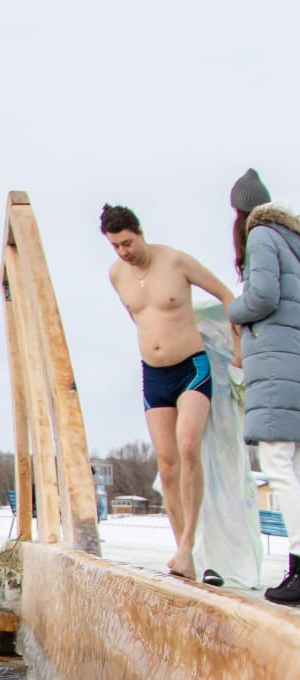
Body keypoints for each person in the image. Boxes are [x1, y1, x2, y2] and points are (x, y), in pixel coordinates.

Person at [101, 203, 238, 580]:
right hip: (154, 376)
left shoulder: (176, 262)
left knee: (188, 446)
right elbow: (139, 319)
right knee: (167, 463)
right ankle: (183, 555)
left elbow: (227, 296)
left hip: (191, 368)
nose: (124, 252)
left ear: (140, 232)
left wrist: (239, 349)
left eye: (127, 243)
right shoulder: (117, 275)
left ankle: (189, 543)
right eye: (116, 246)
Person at [225, 169, 300, 606]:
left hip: (276, 365)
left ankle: (298, 563)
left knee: (278, 465)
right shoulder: (293, 241)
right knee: (295, 466)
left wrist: (234, 310)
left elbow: (264, 297)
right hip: (294, 363)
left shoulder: (260, 236)